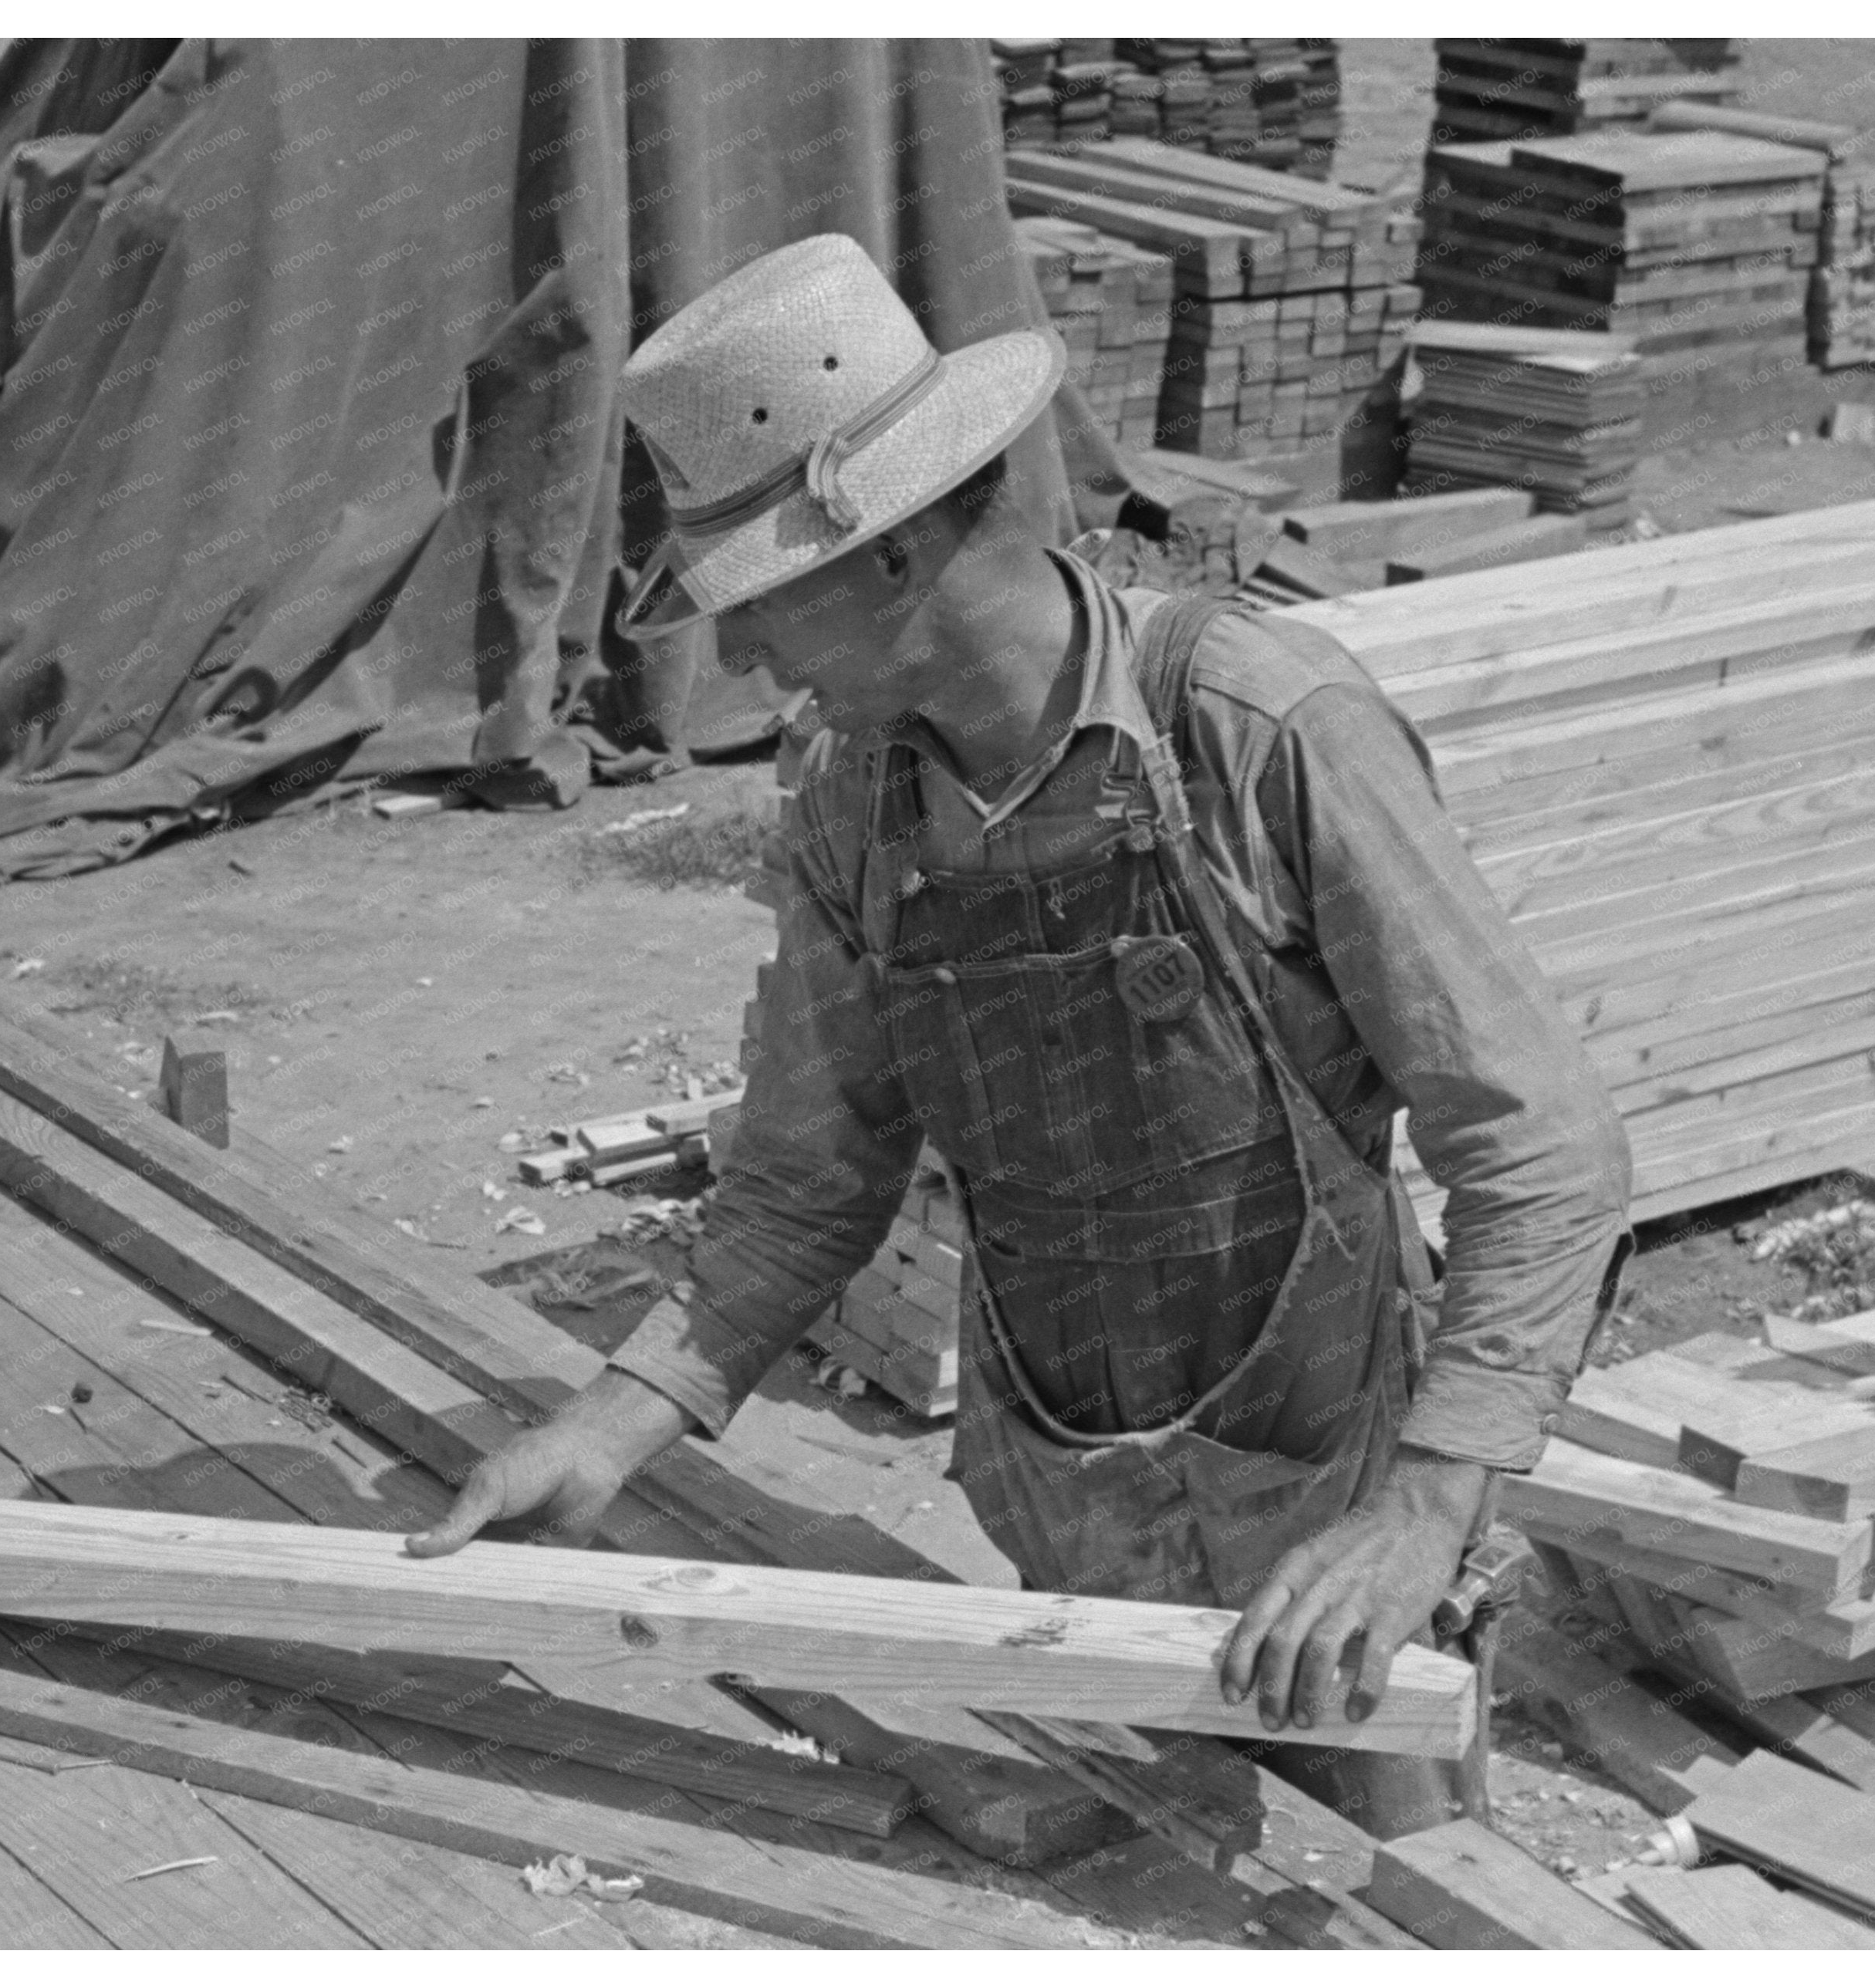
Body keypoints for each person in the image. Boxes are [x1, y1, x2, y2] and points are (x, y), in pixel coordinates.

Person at [408, 235, 1633, 1834]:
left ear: (895, 553)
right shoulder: (857, 805)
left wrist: (1426, 1501)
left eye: (759, 600)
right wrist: (609, 1424)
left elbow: (1541, 1140)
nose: (742, 656)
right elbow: (801, 1182)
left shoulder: (1256, 727)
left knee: (1396, 1867)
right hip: (1063, 1483)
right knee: (1150, 1871)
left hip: (1321, 1468)